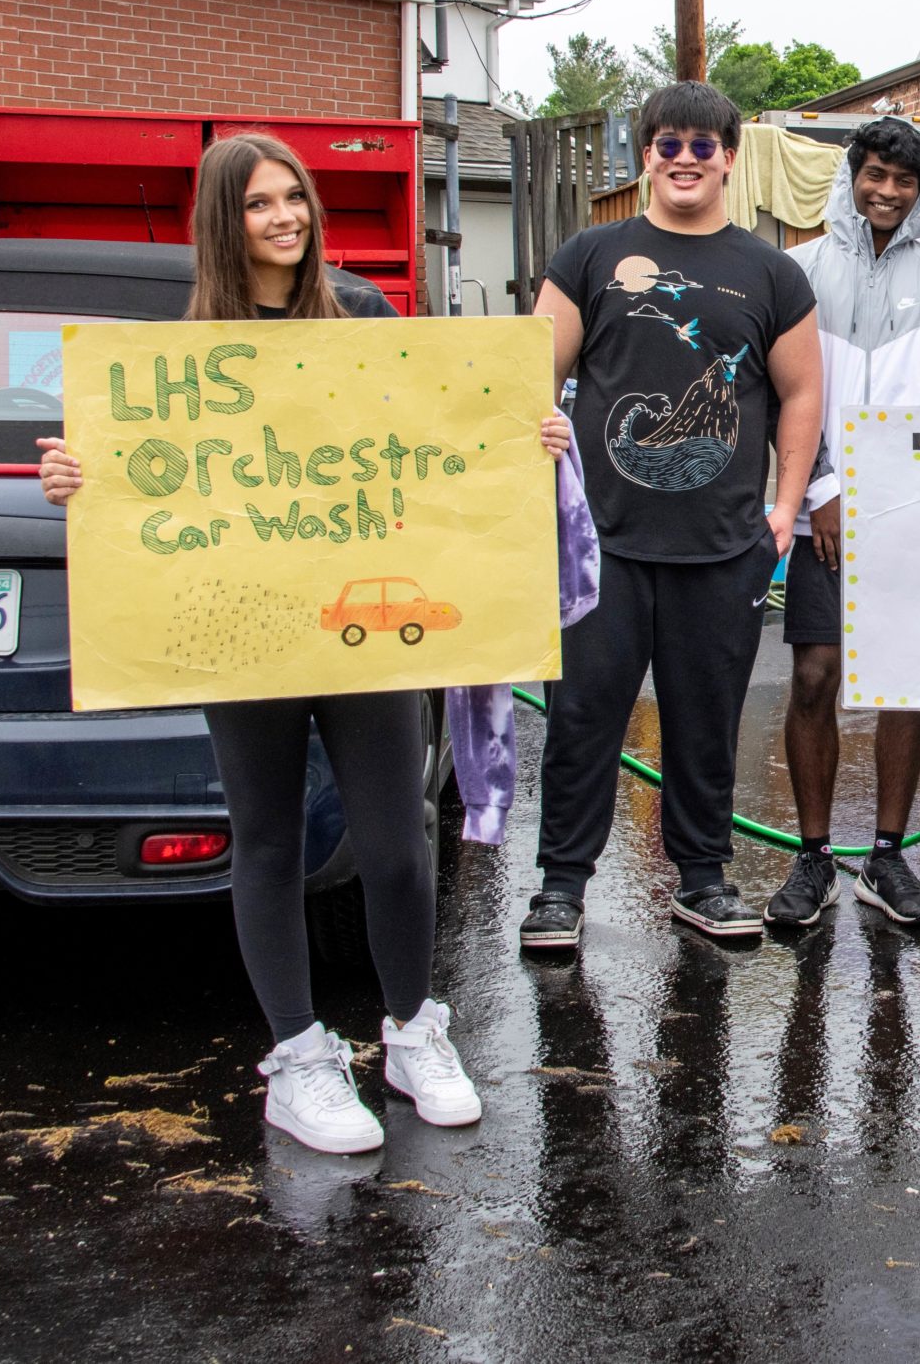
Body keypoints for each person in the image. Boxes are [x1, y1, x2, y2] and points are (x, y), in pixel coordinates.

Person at [36, 132, 569, 1155]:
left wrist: (526, 439)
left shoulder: (360, 314)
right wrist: (74, 476)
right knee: (270, 839)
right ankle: (298, 1055)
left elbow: (436, 434)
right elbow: (139, 472)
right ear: (221, 223)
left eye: (295, 198)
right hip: (248, 626)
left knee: (394, 841)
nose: (285, 218)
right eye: (259, 205)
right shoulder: (180, 350)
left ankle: (413, 1028)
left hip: (361, 629)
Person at [519, 82, 823, 951]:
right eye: (669, 143)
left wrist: (785, 508)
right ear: (645, 154)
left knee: (706, 720)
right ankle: (559, 890)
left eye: (703, 145)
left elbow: (801, 395)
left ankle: (703, 878)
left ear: (729, 157)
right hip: (599, 544)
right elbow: (530, 370)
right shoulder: (588, 253)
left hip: (723, 545)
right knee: (581, 718)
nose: (685, 158)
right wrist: (531, 428)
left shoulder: (772, 271)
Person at [763, 118, 920, 928]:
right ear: (852, 174)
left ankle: (886, 858)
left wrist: (919, 498)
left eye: (905, 181)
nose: (887, 192)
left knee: (905, 680)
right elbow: (785, 391)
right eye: (875, 174)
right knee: (816, 674)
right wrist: (819, 490)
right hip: (826, 507)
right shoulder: (798, 271)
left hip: (910, 510)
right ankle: (813, 856)